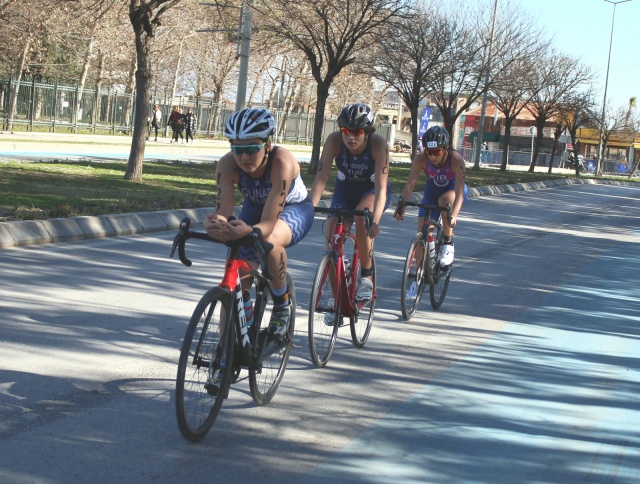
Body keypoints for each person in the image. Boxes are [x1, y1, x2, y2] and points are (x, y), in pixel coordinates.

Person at [204, 108, 314, 338]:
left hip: (293, 210)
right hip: (254, 209)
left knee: (269, 239)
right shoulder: (226, 165)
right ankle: (224, 359)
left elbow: (269, 223)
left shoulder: (282, 163)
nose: (244, 157)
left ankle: (282, 303)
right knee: (235, 285)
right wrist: (217, 223)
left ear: (267, 145)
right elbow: (223, 211)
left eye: (252, 149)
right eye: (237, 149)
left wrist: (249, 230)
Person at [309, 103, 391, 301]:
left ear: (368, 132)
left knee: (362, 216)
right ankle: (338, 299)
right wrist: (308, 208)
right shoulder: (334, 141)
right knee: (331, 238)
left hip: (371, 191)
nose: (350, 137)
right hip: (345, 190)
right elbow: (321, 178)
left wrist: (376, 221)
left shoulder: (379, 145)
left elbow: (381, 189)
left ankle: (366, 276)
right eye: (346, 131)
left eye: (357, 132)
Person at [394, 125, 467, 281]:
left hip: (453, 191)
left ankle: (447, 241)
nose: (432, 157)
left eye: (437, 152)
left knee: (444, 201)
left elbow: (460, 191)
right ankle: (420, 272)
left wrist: (454, 215)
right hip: (432, 192)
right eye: (429, 152)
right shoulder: (421, 158)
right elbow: (410, 185)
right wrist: (403, 207)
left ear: (446, 149)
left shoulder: (456, 160)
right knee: (423, 231)